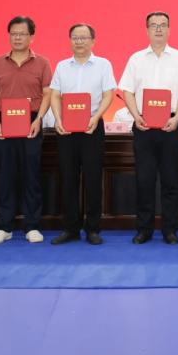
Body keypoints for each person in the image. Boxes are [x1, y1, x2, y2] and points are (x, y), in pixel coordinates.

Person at [119, 11, 178, 245]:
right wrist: (135, 116)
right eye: (154, 25)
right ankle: (144, 229)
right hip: (143, 125)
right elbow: (127, 90)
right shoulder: (136, 59)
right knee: (145, 179)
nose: (159, 29)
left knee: (171, 180)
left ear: (169, 29)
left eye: (163, 25)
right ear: (147, 30)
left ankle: (170, 230)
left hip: (172, 124)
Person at [0, 16, 52, 244]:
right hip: (4, 122)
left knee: (31, 175)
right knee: (5, 175)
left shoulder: (42, 63)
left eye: (22, 34)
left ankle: (32, 226)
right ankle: (5, 227)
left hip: (31, 122)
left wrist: (39, 119)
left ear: (31, 37)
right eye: (13, 33)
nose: (17, 38)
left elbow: (47, 94)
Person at [49, 23, 116, 246]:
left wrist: (96, 117)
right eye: (75, 37)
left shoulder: (103, 65)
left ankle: (93, 228)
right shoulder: (62, 66)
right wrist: (58, 119)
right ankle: (70, 228)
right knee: (68, 178)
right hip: (66, 128)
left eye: (84, 37)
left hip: (91, 127)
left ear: (92, 41)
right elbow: (55, 95)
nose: (79, 41)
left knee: (93, 178)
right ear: (70, 41)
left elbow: (108, 94)